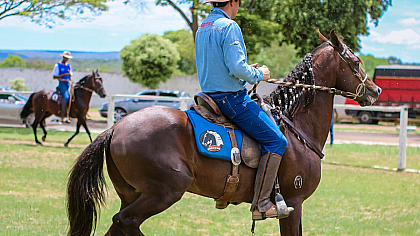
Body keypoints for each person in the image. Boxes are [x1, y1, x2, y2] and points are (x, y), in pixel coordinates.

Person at [195, 0, 292, 221]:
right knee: (277, 141)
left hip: (209, 97)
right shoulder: (229, 26)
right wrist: (260, 74)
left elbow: (220, 65)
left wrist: (247, 70)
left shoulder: (203, 26)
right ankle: (262, 204)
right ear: (232, 2)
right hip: (232, 99)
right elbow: (237, 68)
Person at [52, 51, 74, 123]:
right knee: (66, 97)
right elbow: (54, 76)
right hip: (62, 83)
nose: (66, 59)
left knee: (74, 96)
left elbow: (70, 75)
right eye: (65, 57)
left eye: (67, 58)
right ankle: (63, 116)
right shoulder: (57, 65)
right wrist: (63, 74)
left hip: (68, 83)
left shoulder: (69, 66)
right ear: (63, 57)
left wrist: (71, 80)